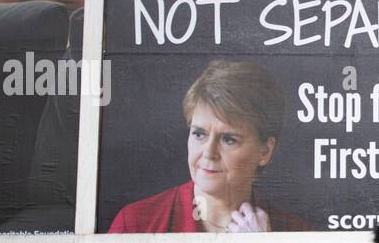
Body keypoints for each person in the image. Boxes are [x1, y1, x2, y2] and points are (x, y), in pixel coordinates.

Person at [107, 60, 312, 233]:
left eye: (228, 139)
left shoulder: (297, 233)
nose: (208, 152)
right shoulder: (135, 224)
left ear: (265, 151)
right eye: (199, 134)